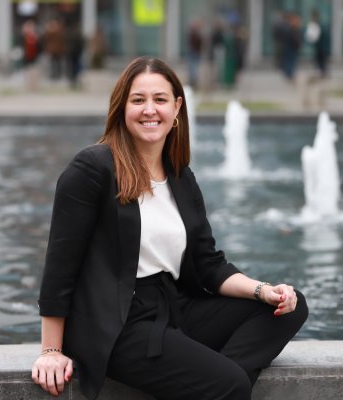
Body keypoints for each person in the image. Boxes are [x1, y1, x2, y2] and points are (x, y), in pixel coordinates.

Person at [30, 56, 308, 400]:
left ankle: (215, 383)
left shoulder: (179, 175)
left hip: (175, 308)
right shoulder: (93, 168)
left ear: (177, 107)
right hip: (119, 324)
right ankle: (222, 384)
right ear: (122, 107)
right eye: (138, 100)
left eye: (160, 100)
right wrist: (51, 351)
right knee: (230, 384)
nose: (150, 110)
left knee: (287, 308)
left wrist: (262, 290)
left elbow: (208, 264)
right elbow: (61, 265)